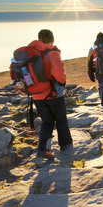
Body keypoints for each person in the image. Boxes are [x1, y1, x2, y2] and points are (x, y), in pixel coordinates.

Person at [31, 29, 73, 158]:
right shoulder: (52, 53)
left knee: (47, 122)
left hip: (37, 95)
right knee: (61, 119)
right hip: (53, 94)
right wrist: (63, 82)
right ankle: (65, 146)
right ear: (51, 39)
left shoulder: (31, 53)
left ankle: (42, 149)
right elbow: (58, 73)